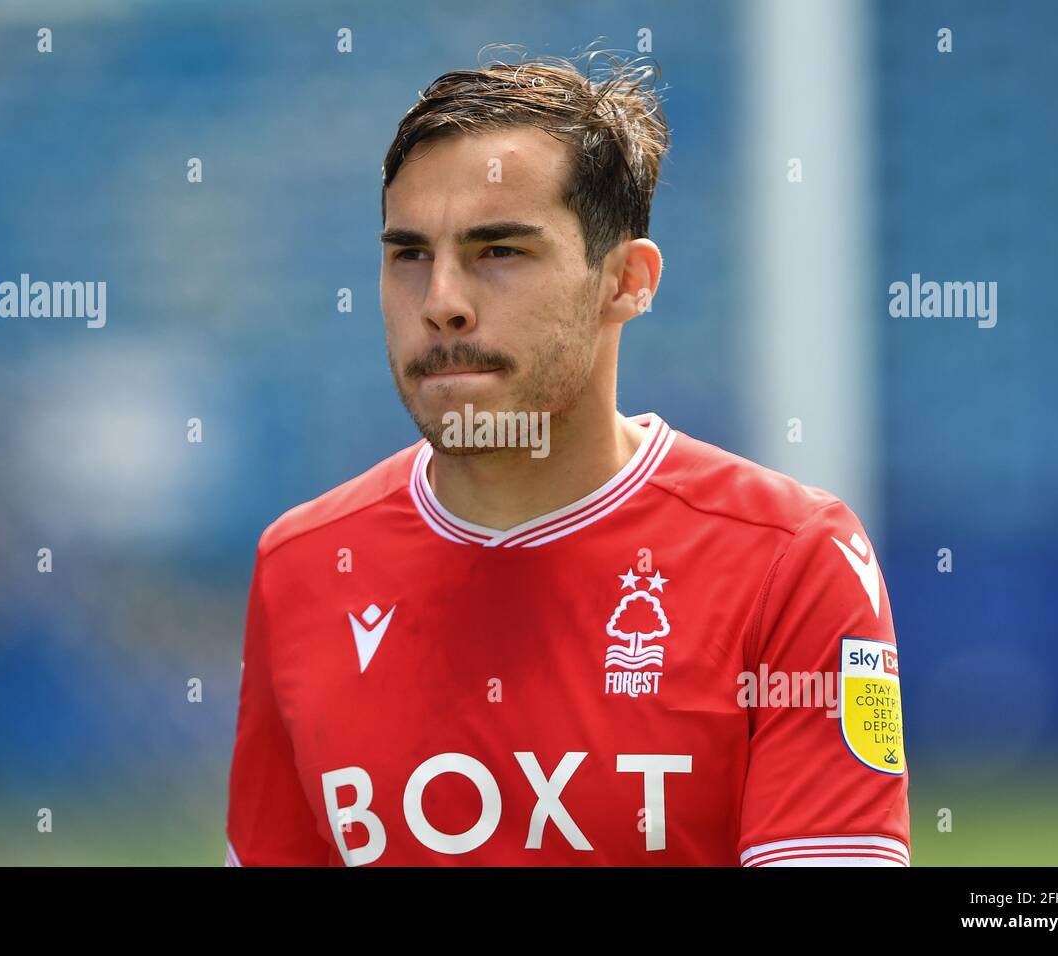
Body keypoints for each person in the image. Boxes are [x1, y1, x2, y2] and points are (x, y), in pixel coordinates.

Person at [225, 52, 909, 866]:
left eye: (499, 251)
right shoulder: (302, 565)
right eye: (410, 255)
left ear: (626, 281)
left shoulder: (793, 559)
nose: (441, 300)